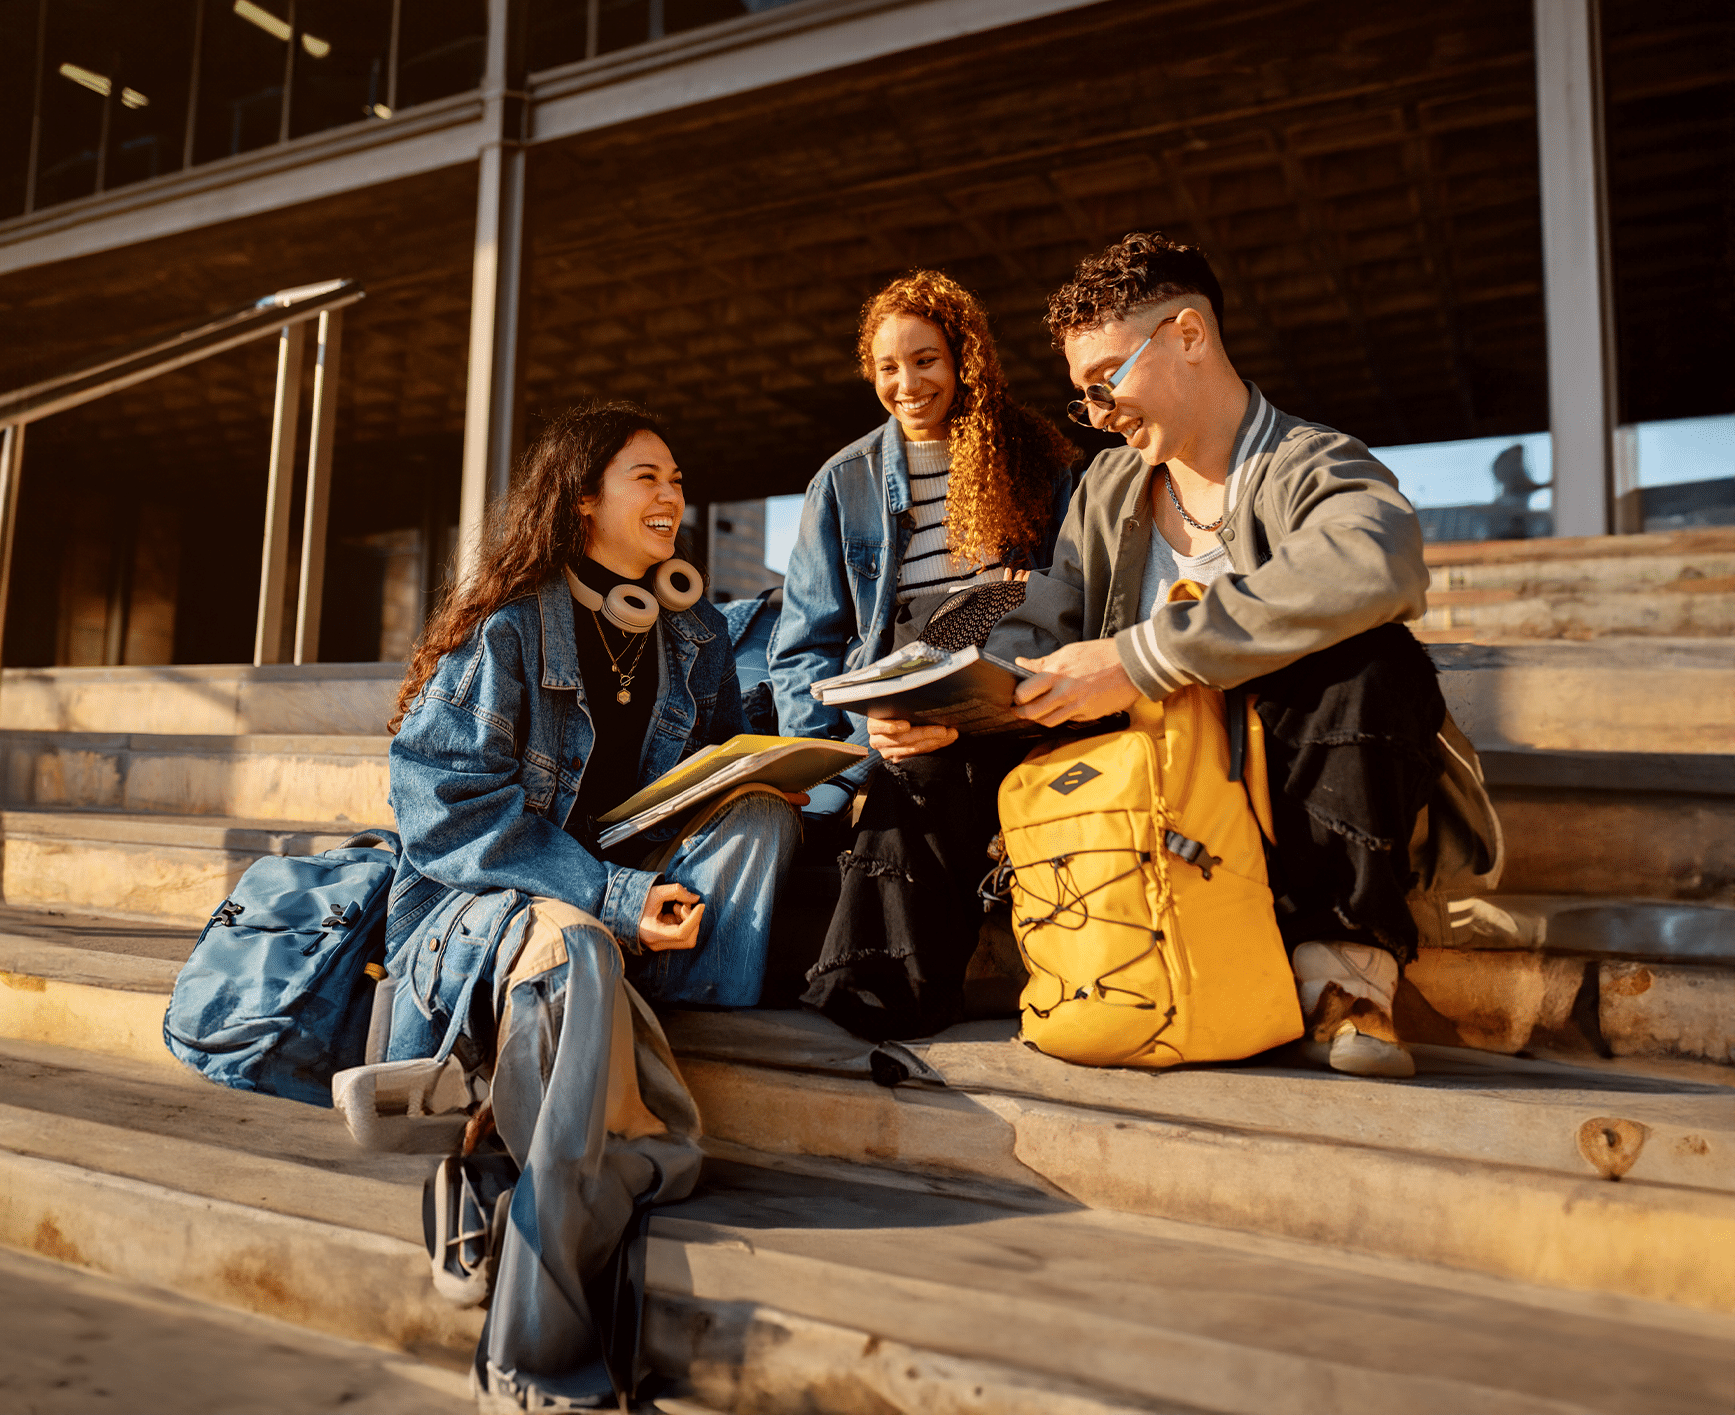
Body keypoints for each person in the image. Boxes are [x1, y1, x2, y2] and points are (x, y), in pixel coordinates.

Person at [964, 231, 1499, 1078]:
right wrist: (954, 695)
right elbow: (1052, 617)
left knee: (1372, 663)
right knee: (921, 746)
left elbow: (1378, 559)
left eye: (1107, 381)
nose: (1099, 414)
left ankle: (1345, 983)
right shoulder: (1106, 485)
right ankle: (890, 986)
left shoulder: (1307, 459)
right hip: (1135, 778)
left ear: (1188, 335)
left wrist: (1143, 658)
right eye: (1084, 396)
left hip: (1265, 764)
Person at [385, 400, 802, 1410]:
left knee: (766, 826)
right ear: (583, 504)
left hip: (617, 909)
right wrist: (610, 896)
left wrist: (770, 781)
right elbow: (438, 814)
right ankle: (534, 1353)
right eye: (647, 478)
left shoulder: (693, 630)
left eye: (675, 478)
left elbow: (713, 763)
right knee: (582, 967)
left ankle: (500, 1150)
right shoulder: (510, 631)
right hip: (481, 908)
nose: (673, 496)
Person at [769, 269, 1080, 1039]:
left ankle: (885, 986)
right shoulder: (843, 484)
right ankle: (891, 987)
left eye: (927, 360)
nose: (907, 383)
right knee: (919, 767)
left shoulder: (1042, 463)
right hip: (899, 712)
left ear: (964, 358)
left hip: (1016, 699)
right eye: (887, 367)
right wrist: (858, 738)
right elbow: (803, 649)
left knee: (955, 763)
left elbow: (1078, 604)